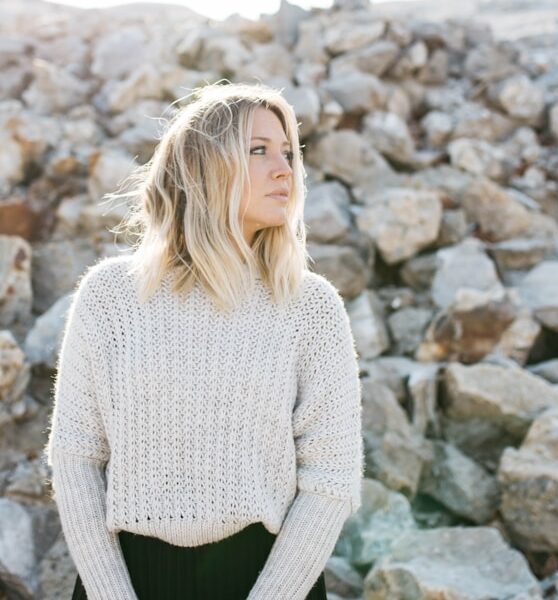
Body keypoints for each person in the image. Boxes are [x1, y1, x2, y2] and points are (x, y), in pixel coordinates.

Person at [45, 81, 364, 600]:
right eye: (258, 150)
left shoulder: (310, 307)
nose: (285, 168)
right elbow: (77, 457)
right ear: (202, 166)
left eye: (287, 152)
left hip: (267, 579)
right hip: (129, 580)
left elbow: (330, 478)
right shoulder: (109, 297)